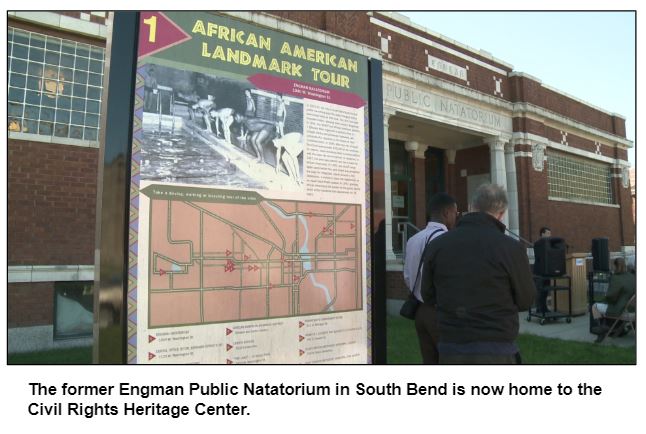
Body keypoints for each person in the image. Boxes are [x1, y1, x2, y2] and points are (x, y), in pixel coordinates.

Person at [420, 183, 535, 364]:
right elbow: (526, 299)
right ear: (501, 214)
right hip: (497, 350)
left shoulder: (438, 245)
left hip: (452, 349)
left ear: (472, 207)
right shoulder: (512, 249)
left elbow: (427, 295)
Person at [403, 193, 458, 364]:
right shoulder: (447, 240)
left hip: (420, 311)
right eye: (456, 212)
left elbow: (407, 275)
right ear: (447, 212)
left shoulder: (413, 239)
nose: (456, 217)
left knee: (429, 362)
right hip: (441, 312)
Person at [591, 257, 636, 341]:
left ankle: (602, 329)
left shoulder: (616, 278)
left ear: (615, 266)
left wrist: (604, 299)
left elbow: (610, 297)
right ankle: (609, 327)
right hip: (634, 310)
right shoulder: (632, 276)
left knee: (595, 306)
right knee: (606, 305)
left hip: (623, 310)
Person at [534, 226, 552, 314]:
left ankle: (545, 308)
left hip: (547, 271)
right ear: (542, 234)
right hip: (539, 271)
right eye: (548, 233)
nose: (550, 235)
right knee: (539, 290)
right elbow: (539, 256)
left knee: (546, 291)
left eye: (550, 233)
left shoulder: (550, 244)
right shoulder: (538, 243)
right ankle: (539, 308)